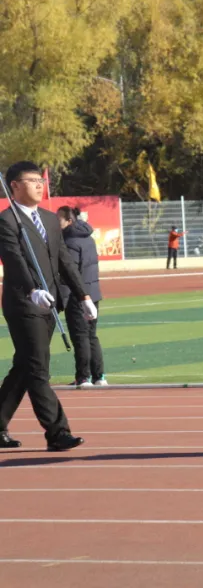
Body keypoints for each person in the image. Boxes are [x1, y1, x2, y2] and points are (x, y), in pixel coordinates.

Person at [0, 162, 92, 451]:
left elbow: (64, 260)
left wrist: (83, 296)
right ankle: (57, 432)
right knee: (38, 368)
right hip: (24, 304)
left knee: (24, 366)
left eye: (41, 180)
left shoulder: (50, 220)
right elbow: (13, 260)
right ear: (14, 186)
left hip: (51, 304)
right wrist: (32, 290)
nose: (40, 185)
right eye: (32, 180)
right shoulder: (7, 221)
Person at [57, 207, 106, 388]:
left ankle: (83, 377)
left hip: (78, 296)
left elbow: (69, 274)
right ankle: (99, 376)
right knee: (91, 335)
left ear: (68, 221)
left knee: (80, 336)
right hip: (93, 293)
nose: (56, 223)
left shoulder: (70, 242)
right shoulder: (88, 238)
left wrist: (61, 299)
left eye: (59, 219)